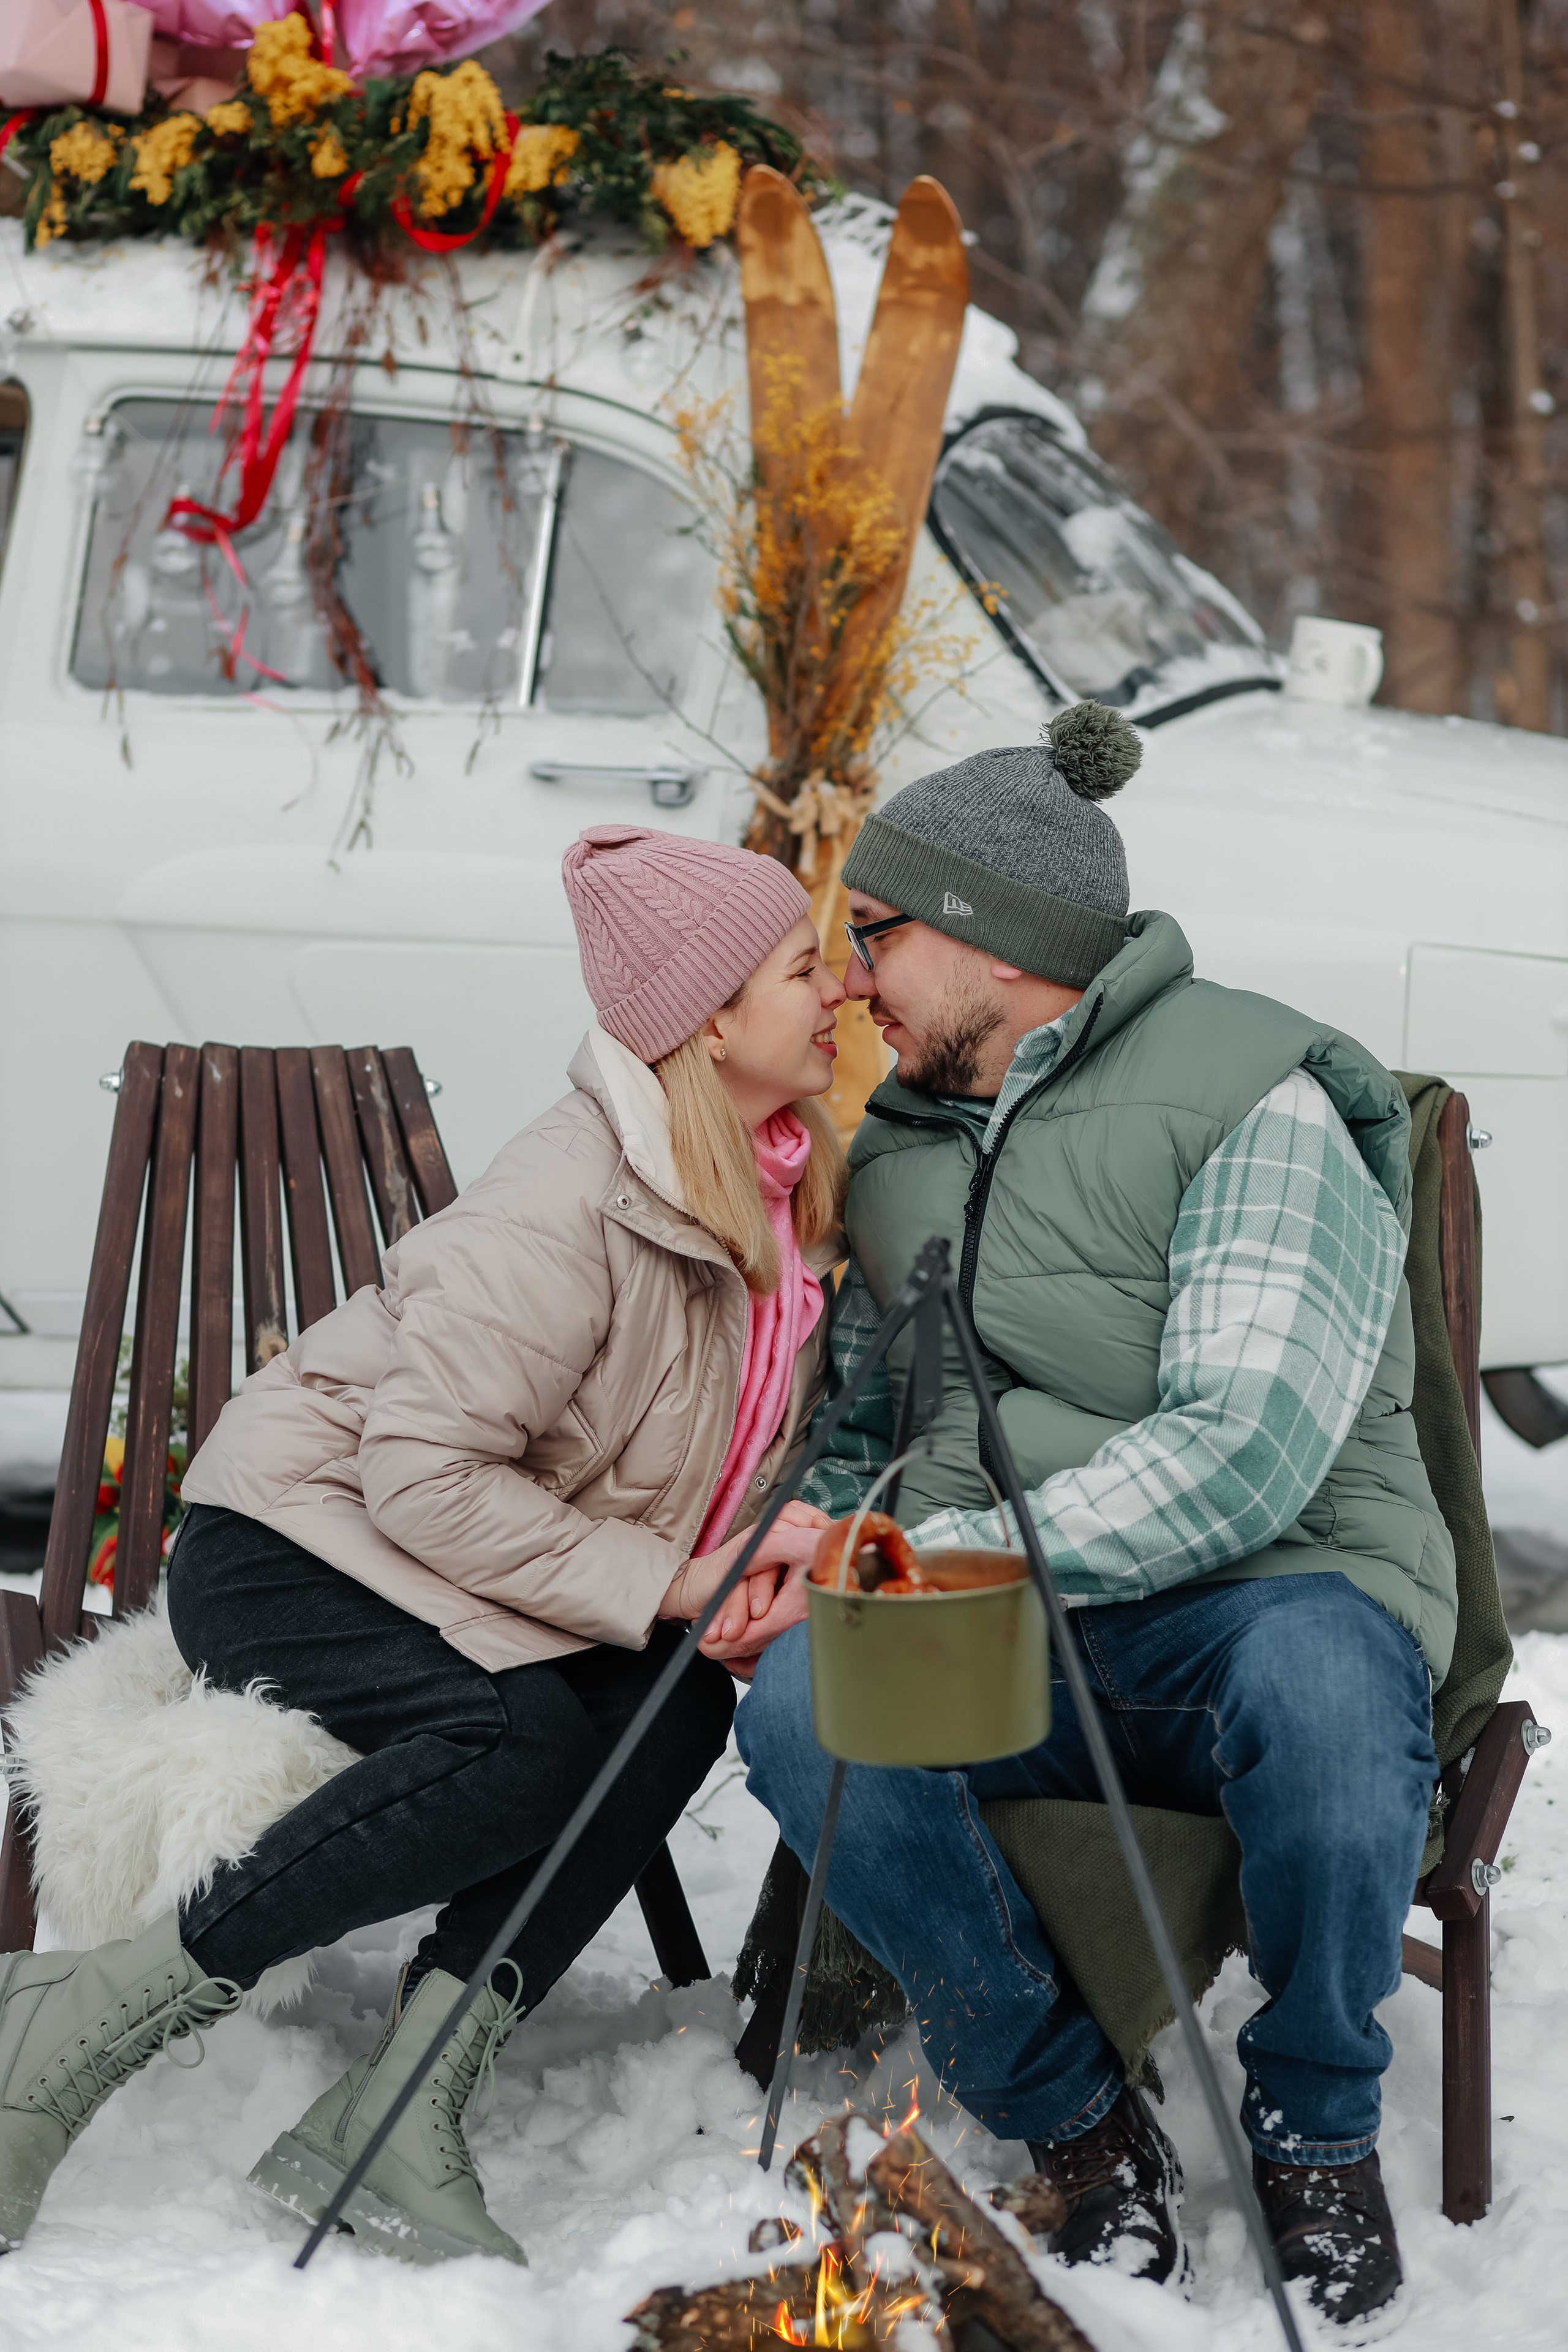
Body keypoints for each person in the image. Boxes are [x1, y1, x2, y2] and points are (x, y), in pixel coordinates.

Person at [0, 823, 843, 2266]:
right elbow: (421, 1475)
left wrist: (763, 1555)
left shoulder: (771, 1194)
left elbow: (691, 1459)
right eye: (800, 965)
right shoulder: (567, 1200)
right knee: (516, 1746)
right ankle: (70, 2024)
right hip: (288, 1544)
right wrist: (673, 1579)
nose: (834, 990)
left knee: (675, 1692)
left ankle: (395, 2116)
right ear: (710, 1021)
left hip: (468, 1568)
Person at [735, 705, 1453, 2328]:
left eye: (877, 936)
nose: (848, 982)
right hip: (1024, 1631)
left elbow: (1244, 1451)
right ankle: (1073, 2120)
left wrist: (939, 1561)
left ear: (993, 937)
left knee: (1327, 1692)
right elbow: (871, 1415)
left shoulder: (1255, 1094)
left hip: (1268, 1601)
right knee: (805, 1710)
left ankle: (1315, 2125)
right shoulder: (906, 1144)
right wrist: (814, 1539)